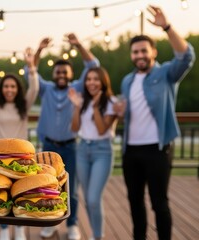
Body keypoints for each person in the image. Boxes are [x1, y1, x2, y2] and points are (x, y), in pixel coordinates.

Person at [114, 5, 195, 240]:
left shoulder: (167, 74)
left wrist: (167, 27)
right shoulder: (127, 81)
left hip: (158, 150)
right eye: (135, 52)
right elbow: (129, 111)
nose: (139, 56)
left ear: (153, 52)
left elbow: (187, 55)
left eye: (143, 51)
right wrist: (121, 112)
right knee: (135, 202)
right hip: (131, 151)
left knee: (159, 203)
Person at [28, 34, 99, 240]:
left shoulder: (77, 88)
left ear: (70, 74)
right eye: (58, 72)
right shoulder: (46, 89)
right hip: (49, 147)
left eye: (64, 72)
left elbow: (94, 64)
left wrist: (78, 45)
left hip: (71, 146)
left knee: (72, 188)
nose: (61, 75)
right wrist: (39, 50)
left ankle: (72, 224)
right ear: (54, 74)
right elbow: (30, 73)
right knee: (47, 185)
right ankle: (50, 222)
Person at [0, 45, 39, 240]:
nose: (9, 89)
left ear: (17, 89)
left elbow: (35, 88)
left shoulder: (24, 105)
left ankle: (20, 229)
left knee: (22, 194)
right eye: (6, 86)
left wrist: (31, 67)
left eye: (13, 86)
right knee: (3, 193)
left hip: (21, 160)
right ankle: (5, 229)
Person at [68, 67, 117, 240]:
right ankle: (95, 234)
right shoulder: (84, 101)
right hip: (82, 150)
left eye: (96, 79)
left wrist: (96, 106)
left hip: (102, 151)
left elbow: (102, 128)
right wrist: (76, 107)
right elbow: (74, 128)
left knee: (94, 198)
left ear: (103, 82)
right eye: (88, 79)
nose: (91, 83)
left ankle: (97, 236)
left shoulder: (111, 102)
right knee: (88, 200)